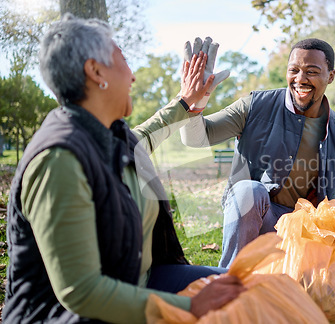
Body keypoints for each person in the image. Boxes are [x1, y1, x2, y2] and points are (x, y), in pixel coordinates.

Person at [3, 14, 245, 323]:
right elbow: (81, 292)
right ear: (95, 71)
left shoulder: (112, 136)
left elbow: (146, 134)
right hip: (70, 315)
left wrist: (188, 100)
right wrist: (190, 309)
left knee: (251, 291)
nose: (132, 77)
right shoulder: (58, 161)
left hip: (140, 283)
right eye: (123, 61)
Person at [180, 38, 335, 268]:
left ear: (330, 76)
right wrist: (193, 103)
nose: (300, 79)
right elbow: (194, 138)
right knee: (249, 191)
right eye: (294, 70)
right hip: (261, 218)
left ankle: (292, 282)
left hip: (307, 225)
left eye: (312, 71)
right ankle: (229, 278)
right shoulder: (254, 106)